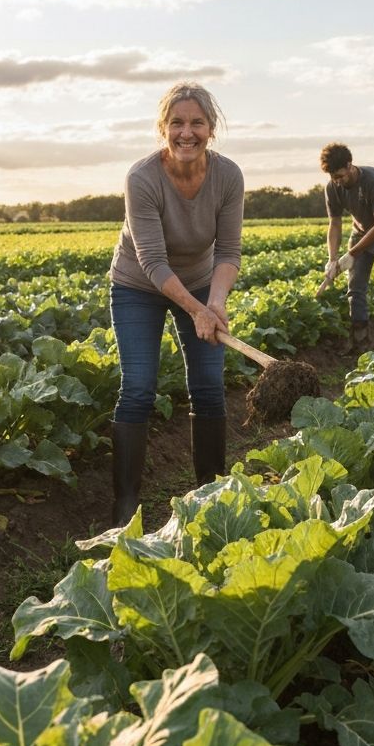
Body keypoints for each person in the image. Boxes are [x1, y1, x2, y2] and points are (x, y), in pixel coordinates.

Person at [108, 83, 244, 525]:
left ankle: (211, 493)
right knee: (139, 388)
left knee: (207, 385)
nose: (187, 133)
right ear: (163, 128)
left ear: (212, 128)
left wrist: (215, 302)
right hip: (138, 285)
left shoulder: (228, 176)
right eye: (177, 123)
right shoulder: (142, 178)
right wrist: (196, 309)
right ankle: (126, 504)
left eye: (197, 123)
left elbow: (228, 252)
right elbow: (152, 260)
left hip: (202, 281)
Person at [319, 143, 374, 353]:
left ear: (350, 165)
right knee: (355, 289)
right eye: (333, 177)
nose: (337, 181)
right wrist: (332, 258)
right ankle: (360, 346)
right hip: (359, 232)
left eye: (340, 175)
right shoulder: (332, 187)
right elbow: (335, 223)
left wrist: (351, 253)